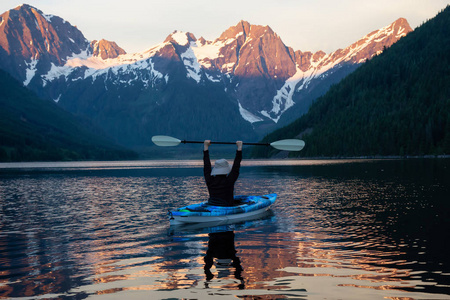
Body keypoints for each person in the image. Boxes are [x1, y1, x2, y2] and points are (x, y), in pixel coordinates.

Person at [203, 140, 243, 206]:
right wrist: (239, 147)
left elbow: (206, 166)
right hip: (226, 207)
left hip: (212, 205)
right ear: (226, 170)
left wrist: (205, 147)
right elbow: (236, 165)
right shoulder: (229, 180)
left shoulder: (210, 180)